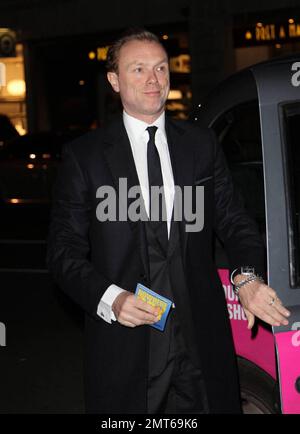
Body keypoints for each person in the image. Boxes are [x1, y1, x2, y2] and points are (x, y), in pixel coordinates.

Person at [47, 28, 290, 414]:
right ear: (114, 80)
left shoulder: (199, 144)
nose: (153, 80)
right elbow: (63, 253)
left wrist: (246, 277)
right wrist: (112, 298)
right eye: (139, 69)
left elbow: (235, 222)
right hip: (128, 351)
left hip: (200, 342)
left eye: (161, 68)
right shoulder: (86, 157)